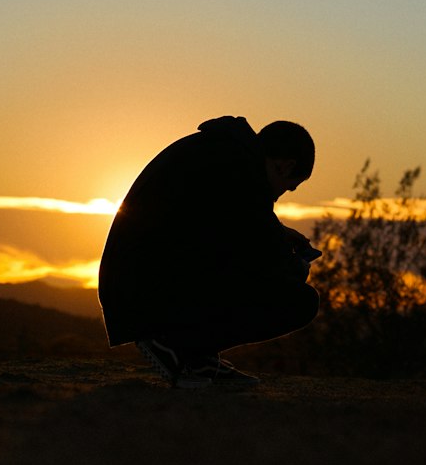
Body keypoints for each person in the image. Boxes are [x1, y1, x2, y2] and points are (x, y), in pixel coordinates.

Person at [98, 115, 320, 388]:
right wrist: (294, 265)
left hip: (138, 281)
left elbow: (222, 224)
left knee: (247, 270)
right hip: (145, 289)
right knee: (299, 301)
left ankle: (194, 354)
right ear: (285, 166)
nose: (279, 195)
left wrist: (279, 236)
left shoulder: (227, 156)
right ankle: (174, 344)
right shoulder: (239, 171)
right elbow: (253, 247)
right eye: (289, 187)